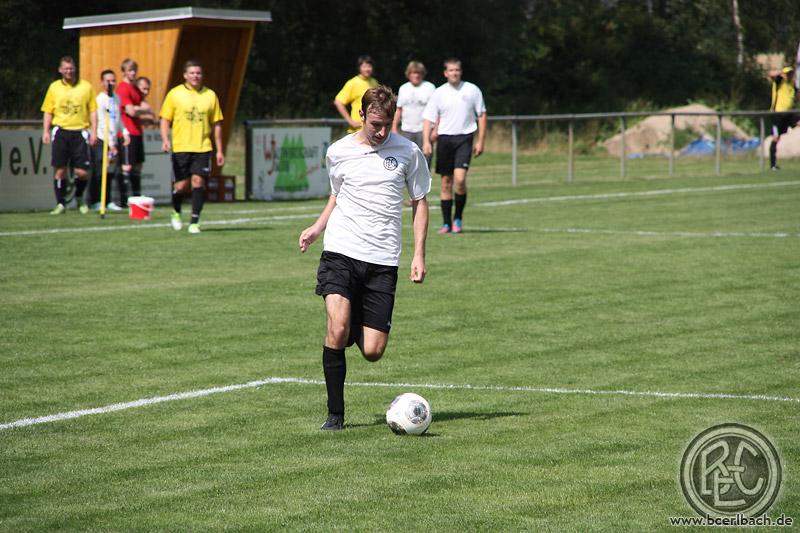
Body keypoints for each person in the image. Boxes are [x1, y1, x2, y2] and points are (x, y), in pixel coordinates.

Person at [299, 86, 431, 431]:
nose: (382, 131)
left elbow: (420, 202)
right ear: (361, 116)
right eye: (375, 124)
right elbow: (337, 194)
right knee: (337, 329)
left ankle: (351, 317)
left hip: (382, 259)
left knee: (373, 351)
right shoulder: (338, 151)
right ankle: (335, 415)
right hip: (341, 250)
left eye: (387, 124)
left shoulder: (408, 152)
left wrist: (419, 254)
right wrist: (317, 227)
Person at [160, 59, 224, 234]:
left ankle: (194, 222)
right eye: (192, 73)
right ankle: (176, 212)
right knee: (181, 186)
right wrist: (165, 139)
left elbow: (217, 123)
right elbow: (165, 119)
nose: (195, 76)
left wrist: (219, 150)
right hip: (181, 147)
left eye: (198, 73)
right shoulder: (175, 94)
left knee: (198, 182)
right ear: (185, 75)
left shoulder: (210, 95)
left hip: (203, 147)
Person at [422, 58, 486, 234]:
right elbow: (428, 118)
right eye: (451, 70)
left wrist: (481, 140)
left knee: (460, 179)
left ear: (461, 71)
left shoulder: (472, 90)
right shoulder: (439, 93)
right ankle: (446, 224)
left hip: (465, 138)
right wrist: (426, 141)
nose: (454, 73)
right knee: (445, 182)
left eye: (457, 70)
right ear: (445, 73)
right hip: (444, 139)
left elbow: (481, 114)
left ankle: (458, 218)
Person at [41, 56, 97, 215]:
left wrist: (94, 131)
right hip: (61, 131)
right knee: (60, 170)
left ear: (75, 69)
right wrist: (45, 131)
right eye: (65, 68)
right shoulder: (54, 87)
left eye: (71, 68)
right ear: (60, 70)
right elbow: (48, 111)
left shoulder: (86, 87)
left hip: (80, 132)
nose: (69, 71)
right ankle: (61, 203)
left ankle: (79, 197)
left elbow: (93, 110)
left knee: (82, 172)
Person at [88, 69, 126, 211]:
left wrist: (125, 132)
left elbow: (118, 118)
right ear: (102, 82)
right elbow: (103, 122)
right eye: (107, 81)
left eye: (113, 80)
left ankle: (108, 200)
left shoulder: (116, 98)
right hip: (101, 139)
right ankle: (95, 200)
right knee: (99, 171)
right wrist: (110, 143)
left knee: (110, 171)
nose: (110, 83)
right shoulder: (100, 100)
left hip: (113, 141)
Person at [117, 59, 152, 197]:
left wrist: (138, 109)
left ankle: (137, 196)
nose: (133, 73)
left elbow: (146, 107)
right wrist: (140, 109)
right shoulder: (123, 88)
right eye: (130, 70)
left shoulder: (135, 89)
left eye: (134, 70)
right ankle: (124, 199)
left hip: (137, 131)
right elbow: (131, 111)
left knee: (138, 166)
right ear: (124, 72)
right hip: (127, 132)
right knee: (127, 166)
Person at [392, 60, 436, 166]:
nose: (416, 75)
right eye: (413, 73)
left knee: (425, 161)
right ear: (408, 74)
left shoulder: (430, 87)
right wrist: (394, 128)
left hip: (424, 131)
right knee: (406, 162)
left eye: (418, 73)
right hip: (407, 130)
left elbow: (436, 111)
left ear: (422, 74)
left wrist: (435, 129)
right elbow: (398, 110)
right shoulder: (404, 88)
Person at [334, 55, 379, 133]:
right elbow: (338, 102)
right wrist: (350, 121)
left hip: (372, 130)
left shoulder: (374, 82)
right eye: (364, 67)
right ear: (359, 68)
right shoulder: (353, 83)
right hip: (357, 130)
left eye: (369, 66)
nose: (367, 69)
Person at [768, 66, 798, 170]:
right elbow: (771, 74)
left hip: (789, 114)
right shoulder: (780, 81)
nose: (790, 75)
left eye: (791, 73)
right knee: (776, 138)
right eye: (788, 73)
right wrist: (781, 73)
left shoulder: (792, 84)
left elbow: (797, 96)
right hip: (778, 114)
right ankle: (773, 165)